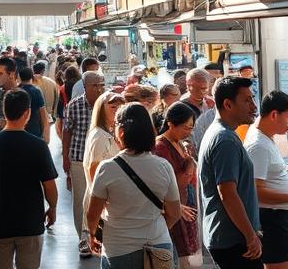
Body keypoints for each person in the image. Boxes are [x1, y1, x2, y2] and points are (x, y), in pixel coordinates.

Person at [86, 103, 181, 269]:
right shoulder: (164, 166)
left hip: (120, 248)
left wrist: (92, 234)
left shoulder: (107, 168)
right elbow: (174, 213)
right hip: (159, 246)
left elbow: (93, 214)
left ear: (121, 132)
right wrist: (154, 230)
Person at [0, 89, 58, 269]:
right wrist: (52, 208)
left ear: (4, 112)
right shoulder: (38, 146)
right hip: (30, 223)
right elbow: (49, 185)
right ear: (27, 113)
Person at [244, 91, 288, 269]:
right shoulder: (258, 145)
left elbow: (266, 172)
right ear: (274, 115)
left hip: (284, 215)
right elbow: (256, 192)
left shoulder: (265, 136)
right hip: (271, 218)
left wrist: (287, 171)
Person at [198, 76, 262, 269]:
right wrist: (250, 235)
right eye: (247, 100)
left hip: (229, 237)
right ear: (228, 104)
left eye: (253, 99)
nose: (254, 106)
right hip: (233, 240)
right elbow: (227, 192)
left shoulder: (223, 133)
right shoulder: (224, 139)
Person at [64, 70, 106, 258]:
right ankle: (83, 238)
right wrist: (66, 157)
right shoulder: (74, 105)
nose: (98, 89)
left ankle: (96, 235)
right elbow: (67, 132)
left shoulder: (106, 104)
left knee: (99, 199)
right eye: (94, 85)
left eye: (100, 85)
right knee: (81, 199)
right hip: (79, 158)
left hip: (102, 160)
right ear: (85, 86)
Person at [155, 102, 200, 268]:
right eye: (185, 128)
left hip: (184, 204)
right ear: (170, 124)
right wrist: (189, 166)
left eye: (191, 128)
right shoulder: (161, 147)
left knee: (186, 259)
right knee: (177, 258)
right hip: (175, 208)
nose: (188, 132)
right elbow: (173, 183)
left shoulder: (179, 143)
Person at [84, 90, 126, 183]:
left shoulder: (110, 133)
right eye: (113, 107)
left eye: (120, 107)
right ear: (101, 110)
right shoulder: (99, 135)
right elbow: (93, 169)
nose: (117, 110)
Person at [19, 67, 50, 143]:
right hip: (34, 131)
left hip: (19, 130)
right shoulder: (36, 91)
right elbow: (43, 114)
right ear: (31, 76)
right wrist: (46, 135)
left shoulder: (16, 90)